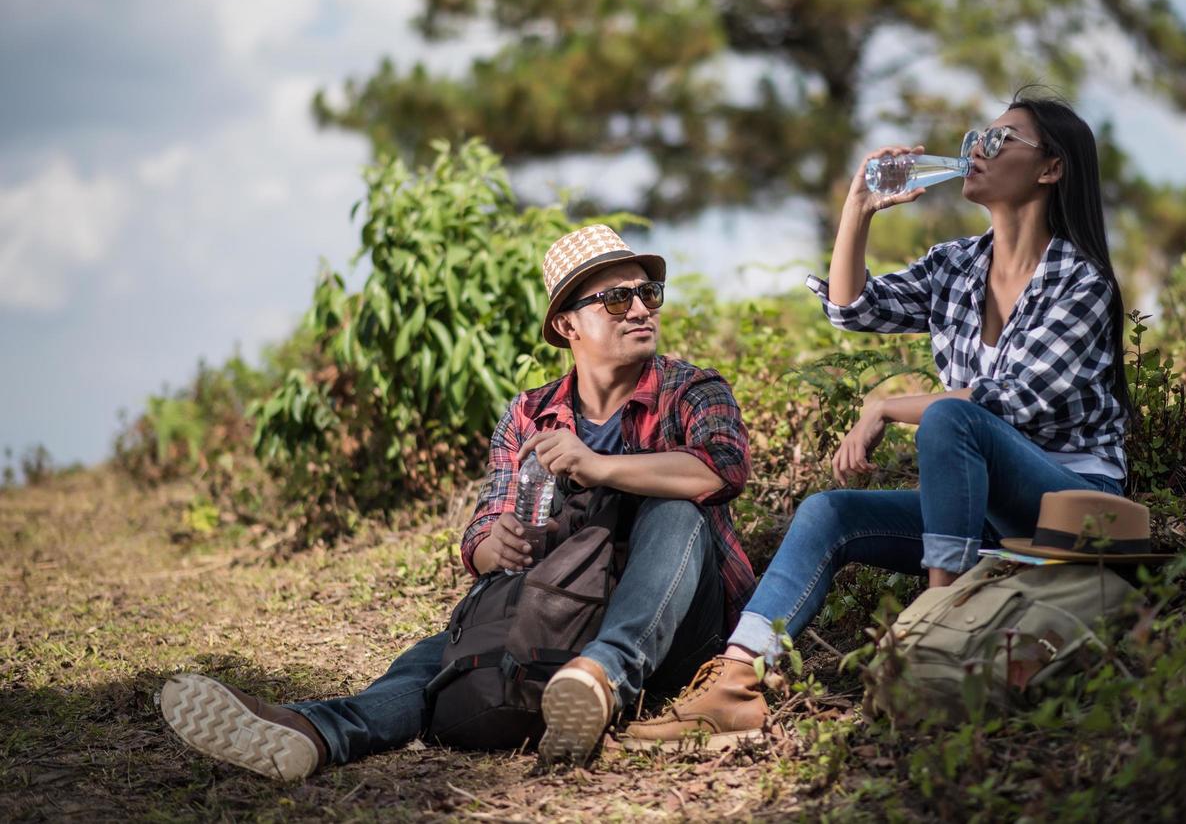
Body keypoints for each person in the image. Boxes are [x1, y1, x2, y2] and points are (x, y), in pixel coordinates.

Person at [623, 91, 1132, 750]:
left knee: (951, 417)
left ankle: (933, 617)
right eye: (978, 133)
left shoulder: (1079, 283)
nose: (976, 147)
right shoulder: (958, 265)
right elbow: (852, 309)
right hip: (984, 504)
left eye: (1001, 140)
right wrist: (856, 210)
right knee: (829, 512)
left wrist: (884, 406)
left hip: (1071, 504)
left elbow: (1009, 400)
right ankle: (735, 684)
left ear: (1051, 169)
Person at [160, 224, 755, 778]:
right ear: (568, 326)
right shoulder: (529, 413)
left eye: (648, 293)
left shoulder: (691, 388)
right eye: (618, 299)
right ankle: (316, 730)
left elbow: (723, 469)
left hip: (672, 626)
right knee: (438, 661)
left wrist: (599, 465)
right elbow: (484, 529)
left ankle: (606, 675)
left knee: (677, 509)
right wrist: (495, 545)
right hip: (564, 613)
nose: (643, 309)